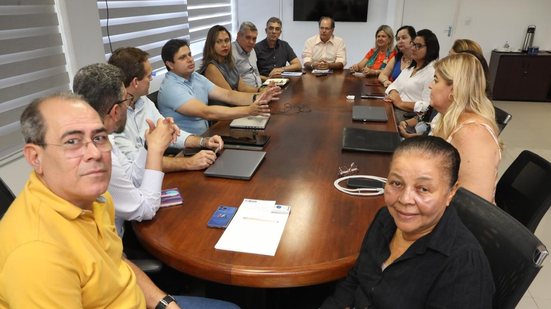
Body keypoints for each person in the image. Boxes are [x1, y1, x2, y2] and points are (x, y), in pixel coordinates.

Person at [0, 93, 238, 308]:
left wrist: (163, 303)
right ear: (35, 157)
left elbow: (117, 263)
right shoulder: (36, 254)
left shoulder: (96, 198)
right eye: (72, 141)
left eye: (99, 138)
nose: (94, 153)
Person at [321, 136, 495, 308]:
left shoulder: (463, 266)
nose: (404, 200)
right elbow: (355, 279)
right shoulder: (386, 218)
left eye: (423, 189)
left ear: (451, 192)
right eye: (397, 183)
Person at [73, 63, 177, 237]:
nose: (128, 105)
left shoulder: (101, 137)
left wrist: (147, 145)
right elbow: (146, 210)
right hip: (110, 252)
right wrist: (156, 150)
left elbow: (131, 178)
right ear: (115, 110)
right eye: (125, 100)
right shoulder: (96, 156)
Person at [108, 47, 223, 171]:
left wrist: (203, 142)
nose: (151, 79)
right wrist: (188, 163)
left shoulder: (143, 101)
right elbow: (136, 163)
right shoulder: (112, 117)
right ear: (135, 82)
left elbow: (170, 132)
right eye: (149, 76)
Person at [158, 39, 279, 135]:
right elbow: (205, 112)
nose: (190, 59)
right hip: (186, 147)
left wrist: (259, 97)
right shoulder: (171, 88)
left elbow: (227, 94)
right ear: (170, 64)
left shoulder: (194, 76)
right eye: (182, 57)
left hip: (206, 136)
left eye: (189, 54)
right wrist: (248, 111)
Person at [429, 53, 501, 203]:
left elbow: (474, 205)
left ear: (454, 89)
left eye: (435, 80)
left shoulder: (472, 134)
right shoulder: (451, 119)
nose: (430, 85)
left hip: (460, 222)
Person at [385, 29, 440, 113]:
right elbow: (393, 85)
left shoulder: (432, 71)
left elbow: (428, 105)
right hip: (395, 109)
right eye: (413, 44)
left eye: (418, 46)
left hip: (411, 117)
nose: (413, 48)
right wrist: (394, 94)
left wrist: (401, 103)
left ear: (430, 48)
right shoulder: (411, 67)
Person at [199, 25, 259, 95]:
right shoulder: (211, 68)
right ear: (211, 45)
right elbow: (230, 96)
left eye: (227, 40)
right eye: (219, 41)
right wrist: (258, 97)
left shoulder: (228, 62)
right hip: (228, 104)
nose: (224, 45)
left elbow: (243, 88)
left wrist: (261, 90)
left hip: (239, 100)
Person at [232, 21, 263, 88]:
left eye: (254, 39)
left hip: (260, 89)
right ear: (238, 36)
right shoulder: (230, 53)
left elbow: (256, 73)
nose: (251, 42)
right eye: (248, 37)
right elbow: (233, 84)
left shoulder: (252, 50)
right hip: (245, 95)